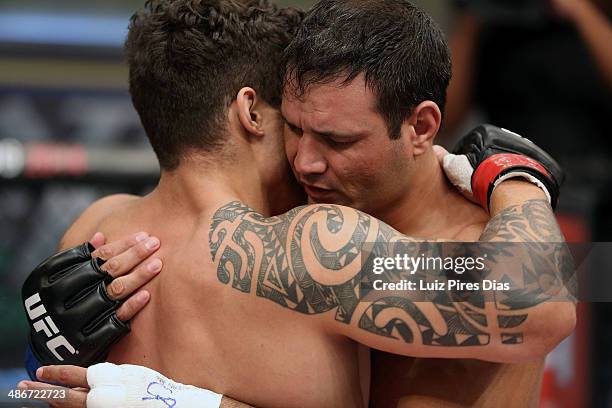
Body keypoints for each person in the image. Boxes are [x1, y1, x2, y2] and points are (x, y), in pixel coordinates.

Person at [19, 0, 574, 407]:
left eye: (336, 139)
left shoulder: (98, 225)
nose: (306, 160)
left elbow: (552, 298)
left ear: (419, 128)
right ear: (254, 112)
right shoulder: (312, 238)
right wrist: (518, 179)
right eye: (298, 128)